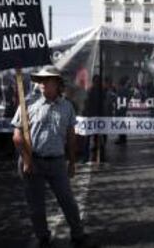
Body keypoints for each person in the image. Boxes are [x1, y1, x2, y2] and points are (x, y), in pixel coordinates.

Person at [11, 66, 96, 248]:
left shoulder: (67, 106)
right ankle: (43, 238)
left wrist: (72, 162)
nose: (42, 83)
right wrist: (26, 160)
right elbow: (17, 137)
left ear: (57, 83)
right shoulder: (28, 103)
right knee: (36, 207)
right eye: (40, 80)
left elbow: (71, 137)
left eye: (47, 79)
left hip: (57, 162)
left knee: (68, 201)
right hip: (32, 161)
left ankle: (78, 235)